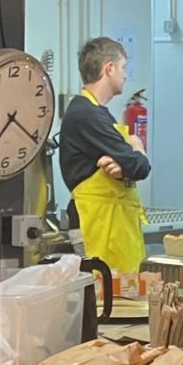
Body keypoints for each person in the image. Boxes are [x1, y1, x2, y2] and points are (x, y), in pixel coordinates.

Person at [57, 37, 151, 280]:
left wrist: (127, 160)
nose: (125, 75)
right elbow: (139, 166)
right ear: (109, 69)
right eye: (123, 68)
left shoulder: (99, 114)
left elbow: (129, 164)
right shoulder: (86, 115)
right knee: (105, 304)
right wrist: (136, 148)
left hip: (113, 226)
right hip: (97, 226)